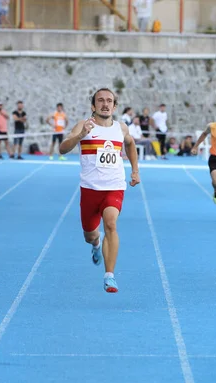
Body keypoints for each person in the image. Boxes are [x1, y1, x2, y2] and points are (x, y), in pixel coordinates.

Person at [59, 88, 140, 293]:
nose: (105, 104)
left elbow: (130, 144)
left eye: (109, 101)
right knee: (90, 234)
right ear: (93, 106)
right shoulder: (84, 125)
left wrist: (135, 171)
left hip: (114, 187)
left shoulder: (121, 128)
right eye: (101, 100)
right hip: (90, 190)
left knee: (111, 224)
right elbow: (62, 148)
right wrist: (81, 136)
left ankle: (109, 276)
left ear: (114, 106)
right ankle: (95, 245)